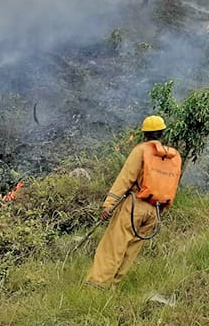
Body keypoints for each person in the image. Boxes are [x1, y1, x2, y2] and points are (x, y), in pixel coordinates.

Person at [84, 115, 182, 289]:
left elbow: (125, 179)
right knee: (131, 251)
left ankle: (96, 286)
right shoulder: (172, 157)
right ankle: (113, 286)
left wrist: (109, 205)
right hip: (156, 212)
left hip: (135, 205)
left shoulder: (142, 150)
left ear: (144, 133)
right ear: (162, 133)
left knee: (113, 246)